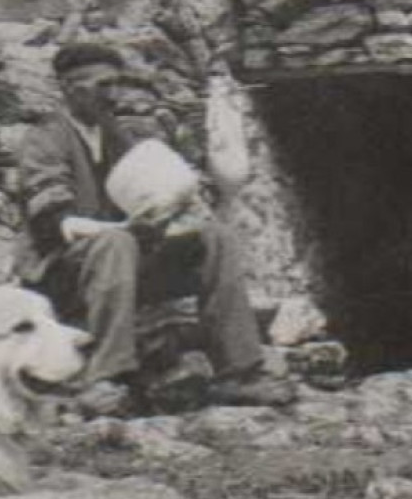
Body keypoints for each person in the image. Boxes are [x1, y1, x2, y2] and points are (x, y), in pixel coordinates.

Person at [17, 42, 294, 411]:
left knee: (215, 238)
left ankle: (240, 372)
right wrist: (123, 228)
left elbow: (147, 194)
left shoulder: (115, 134)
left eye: (116, 83)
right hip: (61, 272)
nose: (113, 94)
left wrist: (163, 214)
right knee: (116, 242)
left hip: (118, 263)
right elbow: (54, 221)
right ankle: (106, 380)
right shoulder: (45, 138)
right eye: (102, 85)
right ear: (70, 87)